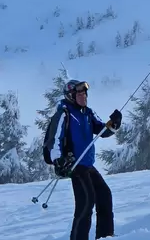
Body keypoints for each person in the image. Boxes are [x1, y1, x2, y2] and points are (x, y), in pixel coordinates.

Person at [43, 80, 122, 240]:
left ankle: (105, 236)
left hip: (87, 164)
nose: (84, 96)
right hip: (74, 165)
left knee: (104, 195)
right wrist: (59, 160)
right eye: (79, 94)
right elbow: (54, 141)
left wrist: (114, 123)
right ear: (71, 96)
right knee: (86, 203)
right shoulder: (64, 114)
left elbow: (102, 130)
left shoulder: (87, 113)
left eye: (85, 93)